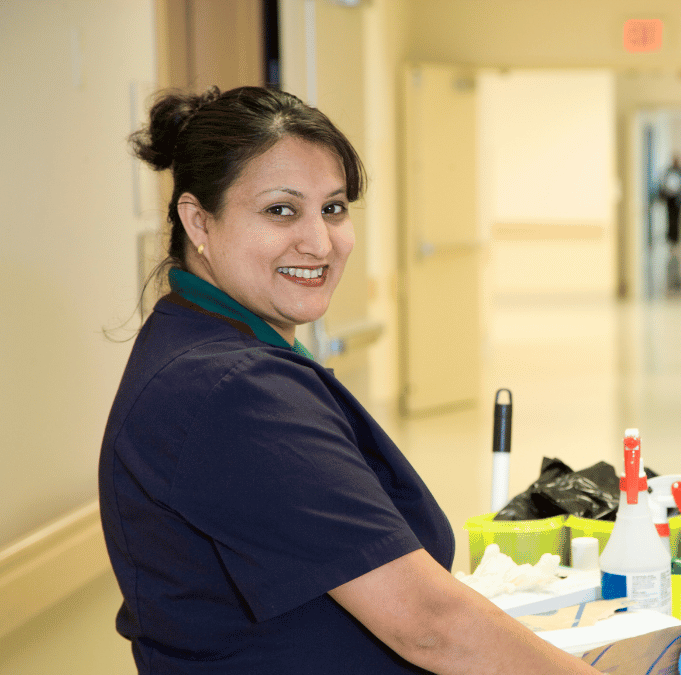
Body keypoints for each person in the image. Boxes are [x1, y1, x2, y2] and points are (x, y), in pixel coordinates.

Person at [99, 86, 600, 675]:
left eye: (333, 208)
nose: (320, 242)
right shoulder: (230, 391)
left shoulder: (201, 342)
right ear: (197, 220)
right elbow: (431, 627)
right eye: (280, 210)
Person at [656, 154, 681, 293]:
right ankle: (671, 239)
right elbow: (663, 184)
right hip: (670, 202)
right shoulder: (668, 171)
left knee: (678, 221)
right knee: (670, 221)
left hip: (678, 202)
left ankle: (677, 240)